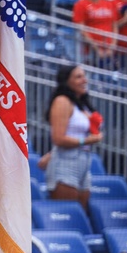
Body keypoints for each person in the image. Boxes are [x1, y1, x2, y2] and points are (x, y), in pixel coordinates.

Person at [44, 64, 104, 210]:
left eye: (84, 76)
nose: (85, 80)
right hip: (66, 162)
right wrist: (87, 140)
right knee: (67, 212)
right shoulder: (62, 101)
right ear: (66, 81)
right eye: (78, 77)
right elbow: (58, 138)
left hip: (84, 160)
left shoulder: (81, 104)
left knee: (80, 215)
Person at [72, 0, 118, 66]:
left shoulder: (109, 3)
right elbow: (81, 29)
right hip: (90, 53)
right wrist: (96, 48)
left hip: (110, 51)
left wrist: (112, 47)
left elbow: (115, 25)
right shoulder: (81, 4)